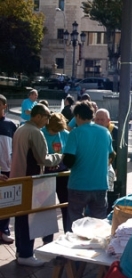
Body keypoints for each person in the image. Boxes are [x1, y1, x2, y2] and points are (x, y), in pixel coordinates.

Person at [11, 104, 63, 266]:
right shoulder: (35, 132)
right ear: (39, 116)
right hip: (29, 179)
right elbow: (43, 159)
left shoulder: (21, 129)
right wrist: (59, 157)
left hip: (18, 177)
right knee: (28, 217)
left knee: (20, 216)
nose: (47, 121)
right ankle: (26, 254)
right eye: (46, 117)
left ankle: (21, 251)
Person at [63, 100, 115, 232]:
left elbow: (68, 160)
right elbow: (111, 154)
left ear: (78, 116)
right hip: (100, 185)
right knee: (99, 224)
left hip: (79, 184)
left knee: (75, 223)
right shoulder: (105, 132)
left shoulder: (75, 133)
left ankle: (73, 250)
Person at [41, 113, 70, 240]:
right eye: (53, 130)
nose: (55, 133)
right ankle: (47, 239)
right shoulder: (41, 133)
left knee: (66, 206)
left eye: (57, 130)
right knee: (47, 208)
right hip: (46, 175)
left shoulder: (65, 134)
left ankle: (69, 235)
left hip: (63, 175)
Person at [0, 94, 17, 244]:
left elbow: (15, 148)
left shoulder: (11, 125)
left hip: (7, 169)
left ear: (4, 106)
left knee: (7, 202)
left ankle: (4, 230)